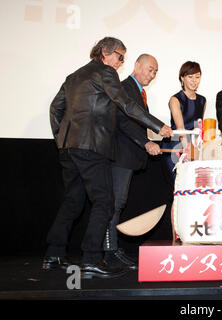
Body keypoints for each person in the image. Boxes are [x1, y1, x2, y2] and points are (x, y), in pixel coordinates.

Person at [44, 37, 172, 279]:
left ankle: (53, 254)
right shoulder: (106, 72)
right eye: (120, 56)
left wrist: (61, 137)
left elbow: (55, 108)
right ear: (105, 52)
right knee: (104, 201)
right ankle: (91, 259)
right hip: (92, 147)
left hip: (69, 148)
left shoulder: (73, 76)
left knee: (73, 200)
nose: (121, 62)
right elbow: (125, 105)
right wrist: (158, 126)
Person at [103, 54, 162, 270]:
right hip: (120, 154)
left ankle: (112, 249)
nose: (152, 74)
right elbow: (123, 121)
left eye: (155, 71)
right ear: (137, 65)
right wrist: (146, 142)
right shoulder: (124, 87)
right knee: (115, 203)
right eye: (149, 69)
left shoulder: (138, 91)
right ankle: (108, 252)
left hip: (129, 156)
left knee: (119, 203)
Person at [161, 61, 206, 188]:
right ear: (182, 78)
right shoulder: (175, 99)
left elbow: (198, 127)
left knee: (191, 188)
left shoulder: (202, 100)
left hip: (193, 148)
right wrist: (188, 152)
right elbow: (181, 129)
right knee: (178, 187)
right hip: (175, 148)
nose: (194, 81)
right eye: (190, 77)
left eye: (197, 77)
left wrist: (197, 151)